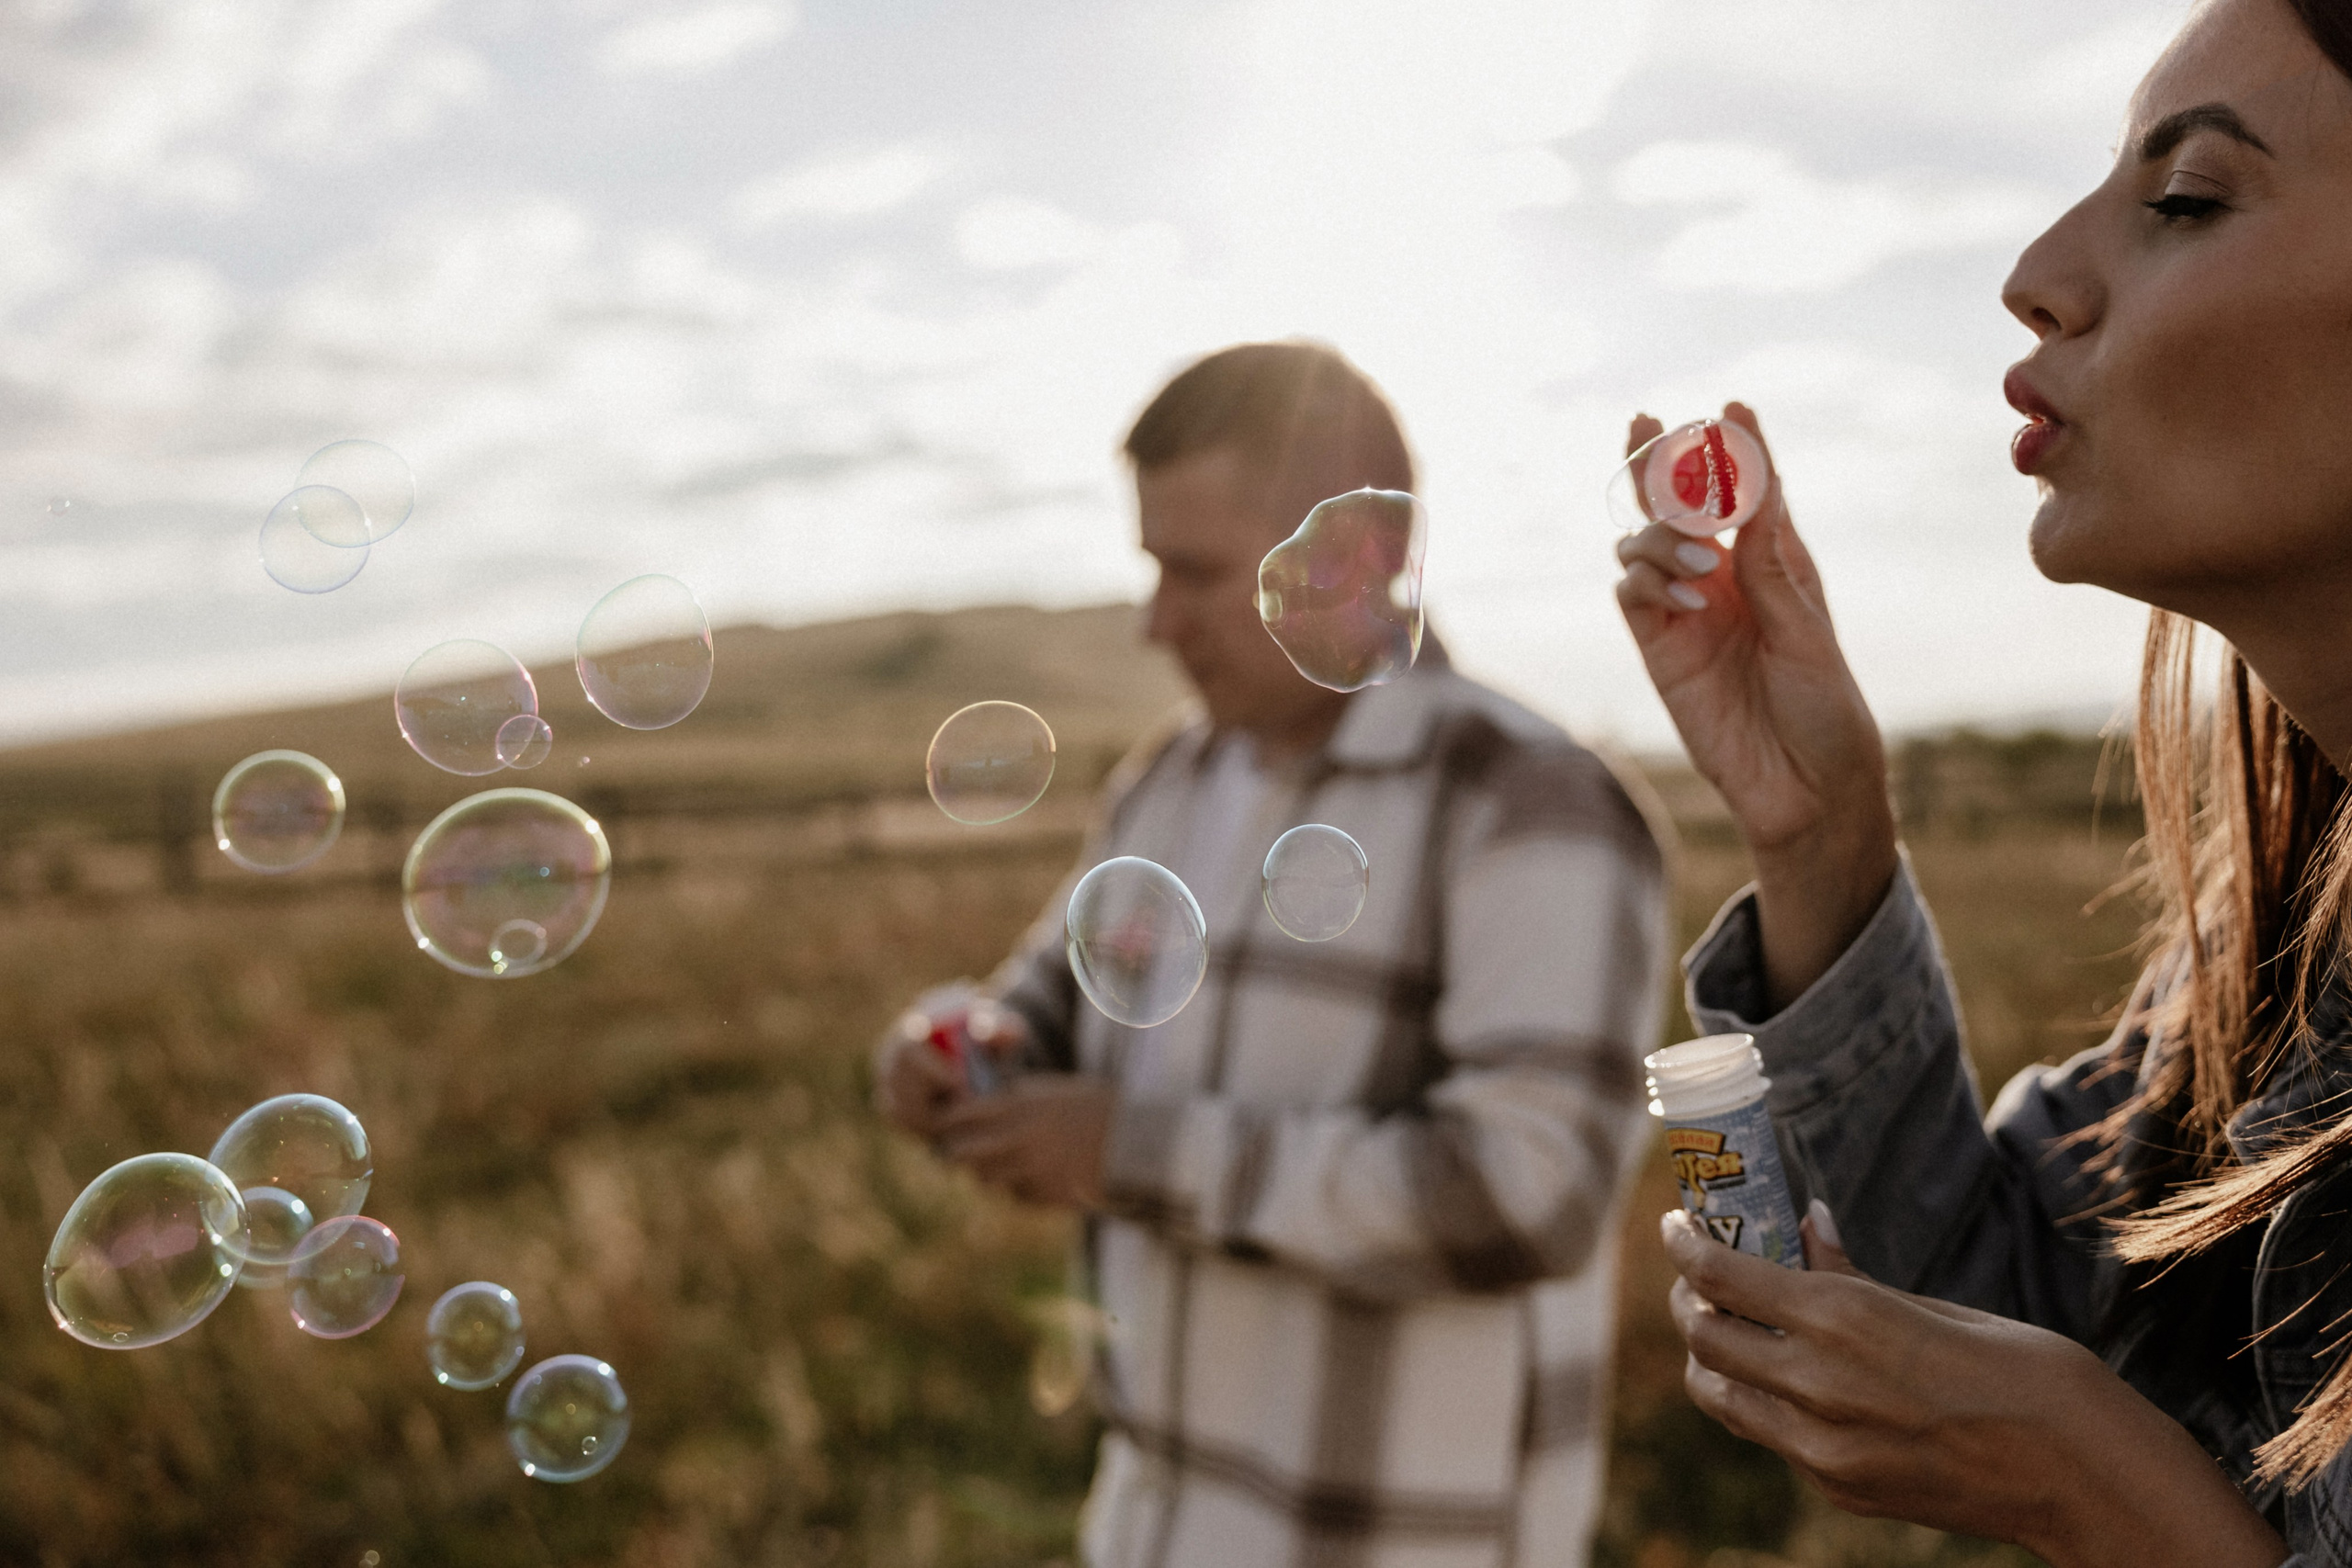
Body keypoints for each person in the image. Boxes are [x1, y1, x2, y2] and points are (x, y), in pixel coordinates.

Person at [1611, 1, 2352, 1563]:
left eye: (2187, 200)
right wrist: (1823, 832)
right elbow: (1996, 1287)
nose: (2035, 277)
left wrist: (2101, 1490)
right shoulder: (2302, 910)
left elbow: (2052, 1400)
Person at [879, 341, 1669, 1568]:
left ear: (1359, 553)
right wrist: (959, 1042)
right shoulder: (1169, 781)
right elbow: (1054, 992)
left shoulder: (1527, 803)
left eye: (1193, 573)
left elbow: (1529, 1194)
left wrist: (1130, 1153)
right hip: (1153, 1526)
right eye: (1152, 567)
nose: (1155, 622)